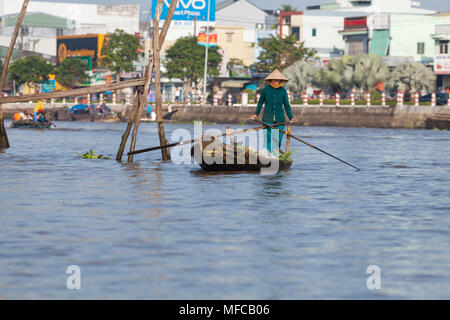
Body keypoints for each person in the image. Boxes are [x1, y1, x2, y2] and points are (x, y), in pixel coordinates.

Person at [250, 69, 297, 154]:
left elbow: (286, 105)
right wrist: (256, 114)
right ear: (270, 80)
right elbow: (260, 103)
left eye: (277, 80)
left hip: (280, 121)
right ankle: (266, 155)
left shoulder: (283, 91)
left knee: (277, 140)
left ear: (280, 81)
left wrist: (291, 117)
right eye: (274, 80)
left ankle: (275, 155)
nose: (276, 82)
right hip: (267, 120)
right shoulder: (265, 90)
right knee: (267, 139)